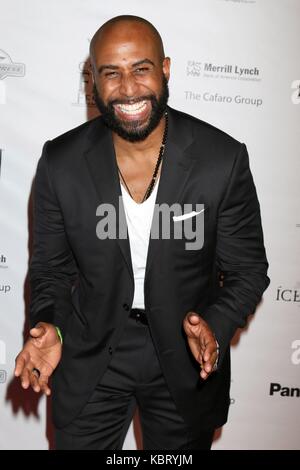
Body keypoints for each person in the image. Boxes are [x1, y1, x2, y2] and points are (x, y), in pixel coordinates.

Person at [14, 15, 269, 450]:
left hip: (186, 356)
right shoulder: (60, 162)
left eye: (142, 69)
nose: (128, 89)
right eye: (111, 73)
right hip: (91, 350)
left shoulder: (221, 160)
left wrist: (215, 323)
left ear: (165, 69)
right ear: (92, 79)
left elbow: (247, 270)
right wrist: (51, 328)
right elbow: (51, 271)